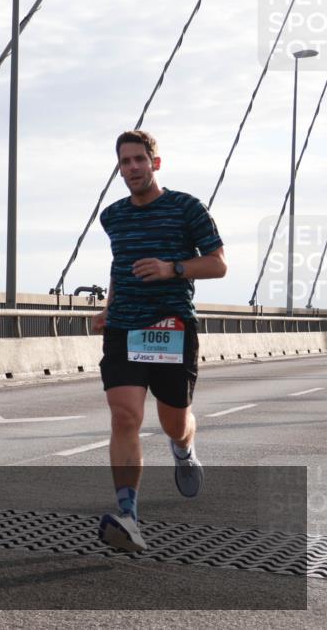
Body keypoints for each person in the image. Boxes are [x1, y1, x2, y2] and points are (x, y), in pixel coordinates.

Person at [92, 130, 227, 552]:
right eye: (124, 161)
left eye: (139, 159)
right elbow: (120, 266)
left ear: (155, 163)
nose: (132, 167)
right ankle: (128, 516)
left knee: (174, 423)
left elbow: (218, 264)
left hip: (172, 328)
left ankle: (183, 448)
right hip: (124, 328)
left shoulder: (187, 208)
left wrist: (173, 268)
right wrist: (109, 309)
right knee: (124, 416)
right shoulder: (112, 216)